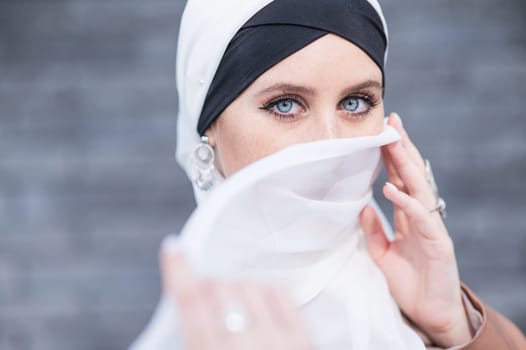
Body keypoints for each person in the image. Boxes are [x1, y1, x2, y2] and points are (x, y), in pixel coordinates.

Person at [131, 0, 526, 349]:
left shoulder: (419, 306)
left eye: (355, 102)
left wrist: (452, 324)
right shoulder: (195, 330)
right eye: (285, 105)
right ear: (210, 126)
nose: (329, 142)